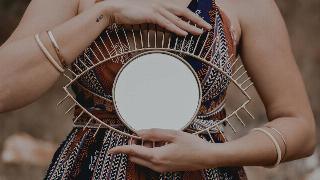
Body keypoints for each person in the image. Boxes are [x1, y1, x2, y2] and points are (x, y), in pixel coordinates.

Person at [0, 0, 316, 179]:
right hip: (90, 171)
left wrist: (213, 155)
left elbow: (300, 127)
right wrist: (106, 13)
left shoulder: (247, 4)